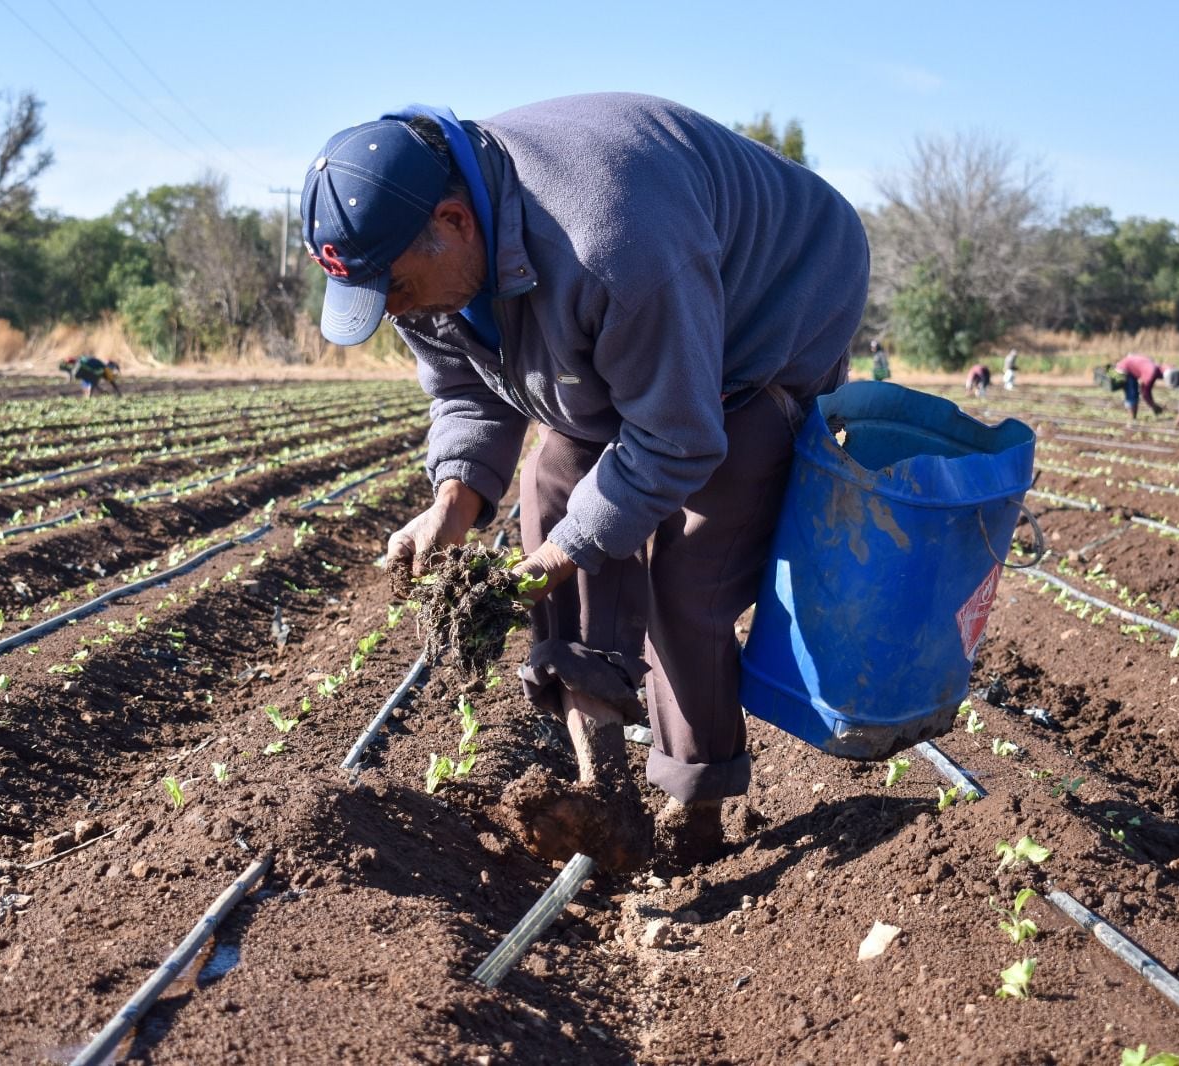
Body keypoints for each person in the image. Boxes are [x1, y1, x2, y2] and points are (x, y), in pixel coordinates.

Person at [303, 94, 870, 871]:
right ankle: (604, 775)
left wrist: (567, 551)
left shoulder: (614, 245)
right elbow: (468, 391)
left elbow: (676, 437)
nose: (393, 310)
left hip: (768, 319)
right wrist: (452, 503)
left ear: (456, 222)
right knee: (549, 490)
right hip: (621, 330)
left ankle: (697, 804)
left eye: (395, 289)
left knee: (686, 573)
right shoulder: (418, 255)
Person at [1114, 352, 1167, 422]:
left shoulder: (1154, 368)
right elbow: (1145, 393)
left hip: (1128, 366)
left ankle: (1132, 418)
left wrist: (1152, 405)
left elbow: (1147, 390)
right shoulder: (1151, 373)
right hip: (1124, 369)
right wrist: (1154, 406)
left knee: (1134, 392)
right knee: (1132, 394)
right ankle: (1132, 419)